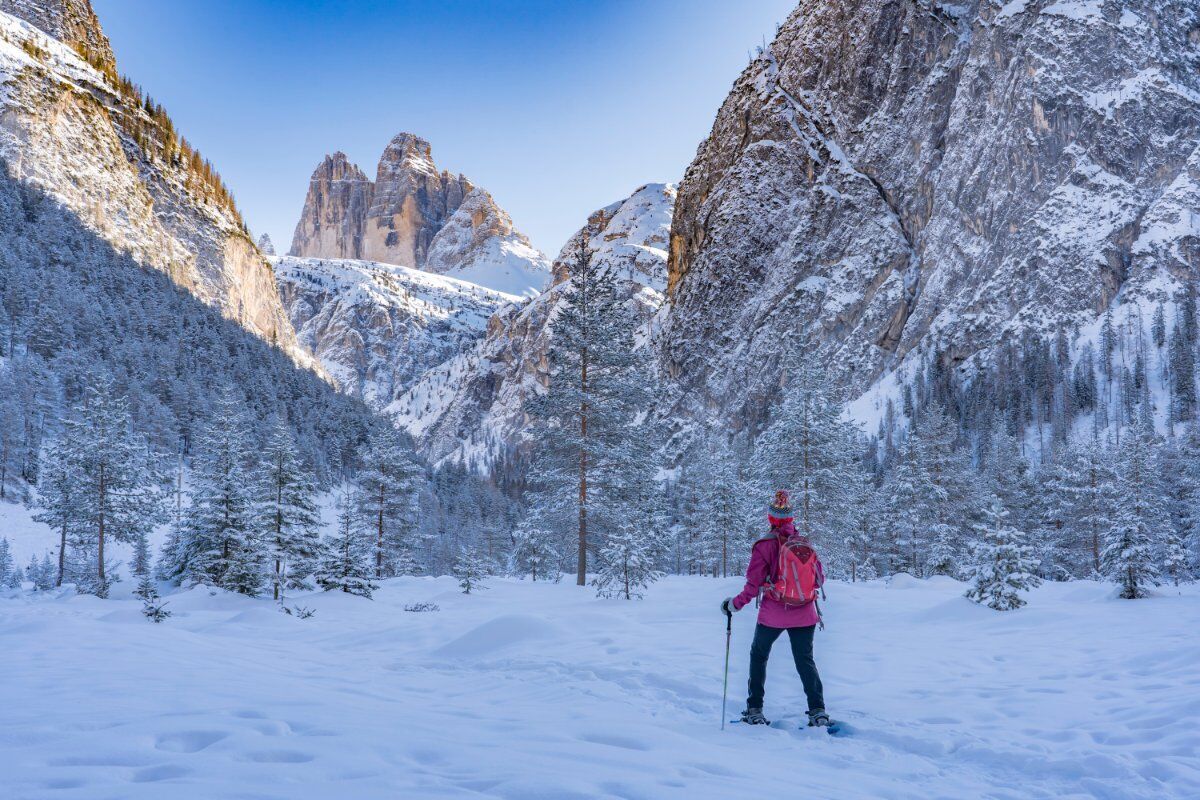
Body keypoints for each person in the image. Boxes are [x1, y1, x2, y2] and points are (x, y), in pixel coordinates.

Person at [721, 490, 829, 727]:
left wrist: (734, 605)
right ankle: (818, 711)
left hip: (773, 614)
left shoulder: (764, 545)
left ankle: (755, 709)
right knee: (805, 660)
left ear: (771, 518)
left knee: (759, 656)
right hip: (805, 612)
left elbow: (753, 585)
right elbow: (820, 578)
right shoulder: (803, 544)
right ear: (791, 519)